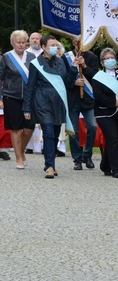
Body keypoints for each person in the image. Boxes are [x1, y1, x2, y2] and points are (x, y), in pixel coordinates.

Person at [22, 35, 79, 178]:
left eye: (56, 45)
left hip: (58, 102)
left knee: (54, 133)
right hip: (42, 102)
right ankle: (50, 166)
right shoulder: (36, 64)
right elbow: (30, 86)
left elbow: (67, 82)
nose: (55, 48)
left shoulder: (61, 62)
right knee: (47, 132)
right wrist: (27, 108)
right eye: (52, 45)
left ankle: (50, 162)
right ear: (43, 47)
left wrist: (73, 69)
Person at [83, 48, 118, 178]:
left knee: (112, 139)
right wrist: (113, 102)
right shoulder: (98, 77)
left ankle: (105, 165)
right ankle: (117, 168)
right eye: (106, 58)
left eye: (112, 58)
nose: (110, 60)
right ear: (102, 62)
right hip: (104, 113)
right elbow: (99, 96)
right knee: (114, 138)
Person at [0, 30, 36, 168]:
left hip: (29, 98)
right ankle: (19, 158)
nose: (21, 45)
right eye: (18, 42)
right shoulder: (7, 57)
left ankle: (20, 150)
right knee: (16, 128)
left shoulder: (32, 57)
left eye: (23, 42)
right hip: (11, 96)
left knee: (29, 128)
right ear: (13, 43)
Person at [66, 50, 99, 170]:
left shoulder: (92, 57)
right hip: (73, 100)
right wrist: (74, 82)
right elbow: (64, 78)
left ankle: (87, 154)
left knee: (92, 127)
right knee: (73, 131)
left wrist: (84, 66)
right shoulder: (67, 57)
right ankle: (77, 158)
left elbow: (96, 76)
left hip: (88, 99)